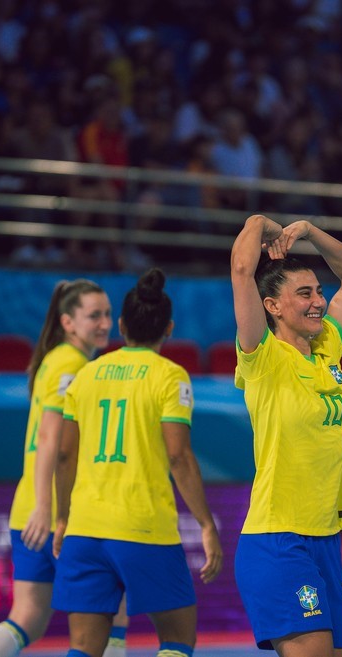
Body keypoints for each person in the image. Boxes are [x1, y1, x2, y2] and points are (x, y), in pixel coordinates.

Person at [52, 268, 222, 657]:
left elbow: (64, 455)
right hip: (144, 528)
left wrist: (62, 518)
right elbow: (178, 457)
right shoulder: (169, 376)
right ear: (170, 328)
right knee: (178, 640)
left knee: (83, 647)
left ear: (122, 325)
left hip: (85, 529)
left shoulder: (85, 375)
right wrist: (206, 524)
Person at [230, 214, 342, 657]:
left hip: (325, 538)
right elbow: (240, 270)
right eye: (304, 293)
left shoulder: (329, 343)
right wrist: (258, 224)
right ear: (272, 306)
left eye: (319, 291)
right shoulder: (262, 356)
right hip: (278, 540)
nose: (318, 301)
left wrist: (308, 232)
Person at [0, 279, 129, 657]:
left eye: (107, 313)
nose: (105, 322)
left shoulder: (55, 360)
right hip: (60, 515)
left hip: (28, 509)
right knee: (111, 615)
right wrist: (48, 508)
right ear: (68, 322)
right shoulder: (71, 365)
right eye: (94, 315)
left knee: (29, 618)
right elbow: (50, 440)